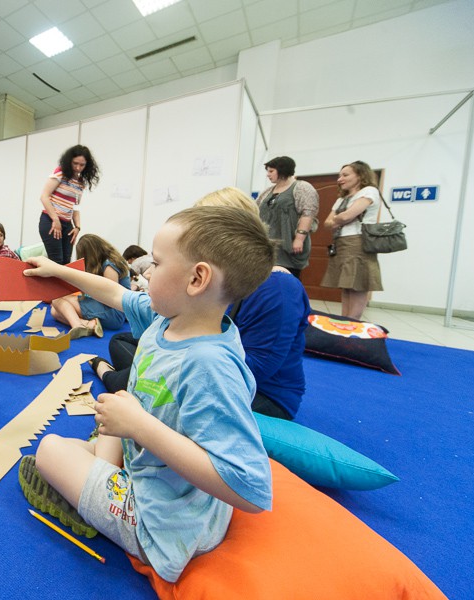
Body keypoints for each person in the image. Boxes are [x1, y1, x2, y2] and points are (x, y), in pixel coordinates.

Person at [18, 203, 274, 583]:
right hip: (150, 463)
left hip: (163, 521)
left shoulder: (209, 365)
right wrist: (58, 271)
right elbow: (113, 292)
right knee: (113, 411)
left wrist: (138, 426)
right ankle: (101, 474)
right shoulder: (169, 317)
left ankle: (97, 499)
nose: (145, 274)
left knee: (50, 450)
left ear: (197, 279)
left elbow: (250, 488)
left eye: (156, 263)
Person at [92, 188, 311, 420]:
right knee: (123, 341)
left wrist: (176, 357)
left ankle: (109, 376)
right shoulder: (211, 284)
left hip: (256, 390)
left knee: (149, 382)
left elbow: (256, 368)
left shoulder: (278, 289)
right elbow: (126, 299)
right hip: (200, 358)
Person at [320, 160, 383, 320]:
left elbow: (346, 216)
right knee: (346, 285)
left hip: (358, 242)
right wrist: (341, 218)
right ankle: (345, 321)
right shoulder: (342, 199)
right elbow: (327, 223)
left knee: (357, 284)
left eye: (345, 175)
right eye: (339, 175)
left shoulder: (369, 191)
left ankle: (353, 323)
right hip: (342, 243)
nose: (340, 179)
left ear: (360, 175)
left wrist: (339, 218)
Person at [50, 234, 131, 336]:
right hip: (114, 311)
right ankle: (88, 325)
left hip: (114, 313)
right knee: (55, 311)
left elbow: (110, 298)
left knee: (57, 300)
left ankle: (78, 325)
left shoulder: (109, 266)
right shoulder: (110, 261)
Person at [254, 156, 319, 279]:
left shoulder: (302, 187)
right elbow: (256, 211)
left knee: (286, 278)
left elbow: (308, 213)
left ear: (282, 170)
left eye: (271, 171)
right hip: (268, 246)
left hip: (288, 245)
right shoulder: (267, 192)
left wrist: (299, 239)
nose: (268, 174)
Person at [38, 145, 100, 265]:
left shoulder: (80, 182)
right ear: (69, 161)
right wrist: (55, 220)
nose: (78, 167)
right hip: (51, 220)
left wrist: (77, 227)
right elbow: (44, 197)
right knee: (57, 261)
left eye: (82, 165)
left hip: (67, 224)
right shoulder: (60, 173)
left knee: (66, 263)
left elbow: (75, 206)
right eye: (75, 163)